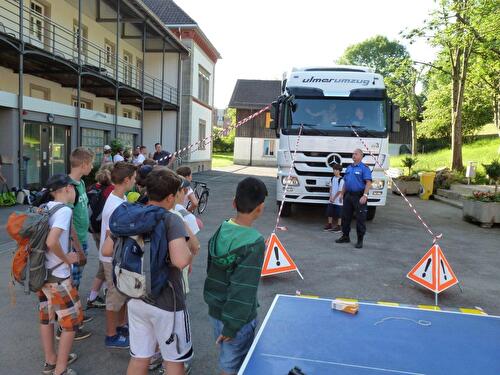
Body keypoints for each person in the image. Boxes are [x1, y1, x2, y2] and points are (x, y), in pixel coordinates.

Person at [124, 168, 196, 375]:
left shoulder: (133, 213)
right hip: (166, 300)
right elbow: (180, 260)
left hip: (135, 295)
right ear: (171, 197)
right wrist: (189, 254)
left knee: (140, 358)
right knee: (173, 361)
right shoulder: (170, 219)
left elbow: (107, 250)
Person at [204, 177, 268, 375]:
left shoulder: (223, 228)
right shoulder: (253, 242)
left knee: (228, 361)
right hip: (237, 320)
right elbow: (243, 290)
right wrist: (231, 327)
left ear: (234, 202)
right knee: (232, 367)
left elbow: (212, 270)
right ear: (260, 208)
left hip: (217, 311)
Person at [38, 174, 83, 375]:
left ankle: (50, 361)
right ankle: (61, 370)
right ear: (66, 189)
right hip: (58, 277)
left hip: (42, 274)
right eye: (73, 188)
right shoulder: (64, 210)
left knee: (47, 319)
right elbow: (51, 241)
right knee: (71, 323)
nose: (75, 191)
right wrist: (67, 259)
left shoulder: (46, 207)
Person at [99, 162, 137, 349]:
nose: (136, 181)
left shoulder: (118, 199)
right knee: (114, 296)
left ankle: (121, 325)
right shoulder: (115, 205)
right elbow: (109, 235)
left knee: (122, 293)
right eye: (134, 178)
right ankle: (111, 334)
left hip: (117, 256)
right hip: (111, 258)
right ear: (127, 180)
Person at [86, 163, 115, 310]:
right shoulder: (111, 190)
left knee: (103, 261)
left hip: (93, 229)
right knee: (105, 263)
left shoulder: (91, 188)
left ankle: (102, 290)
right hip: (105, 231)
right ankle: (92, 297)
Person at [335, 148, 372, 248]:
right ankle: (345, 236)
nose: (354, 155)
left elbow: (368, 182)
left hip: (359, 196)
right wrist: (342, 194)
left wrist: (365, 195)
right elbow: (345, 182)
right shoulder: (349, 168)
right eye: (353, 154)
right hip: (348, 196)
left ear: (361, 156)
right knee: (345, 217)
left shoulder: (364, 168)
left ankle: (360, 240)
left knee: (360, 219)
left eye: (356, 154)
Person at [68, 148, 93, 292]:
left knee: (77, 279)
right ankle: (70, 313)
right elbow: (68, 223)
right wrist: (78, 249)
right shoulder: (69, 188)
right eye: (90, 164)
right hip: (74, 244)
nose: (92, 167)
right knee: (72, 282)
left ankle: (73, 313)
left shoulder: (81, 183)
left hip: (82, 239)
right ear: (84, 164)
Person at [324, 163, 344, 232]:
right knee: (329, 212)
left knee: (339, 214)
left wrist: (334, 198)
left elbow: (339, 191)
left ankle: (339, 226)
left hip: (338, 200)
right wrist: (330, 196)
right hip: (331, 199)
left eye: (336, 170)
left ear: (339, 171)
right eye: (334, 170)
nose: (334, 171)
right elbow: (331, 188)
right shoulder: (332, 178)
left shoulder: (341, 180)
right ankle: (329, 224)